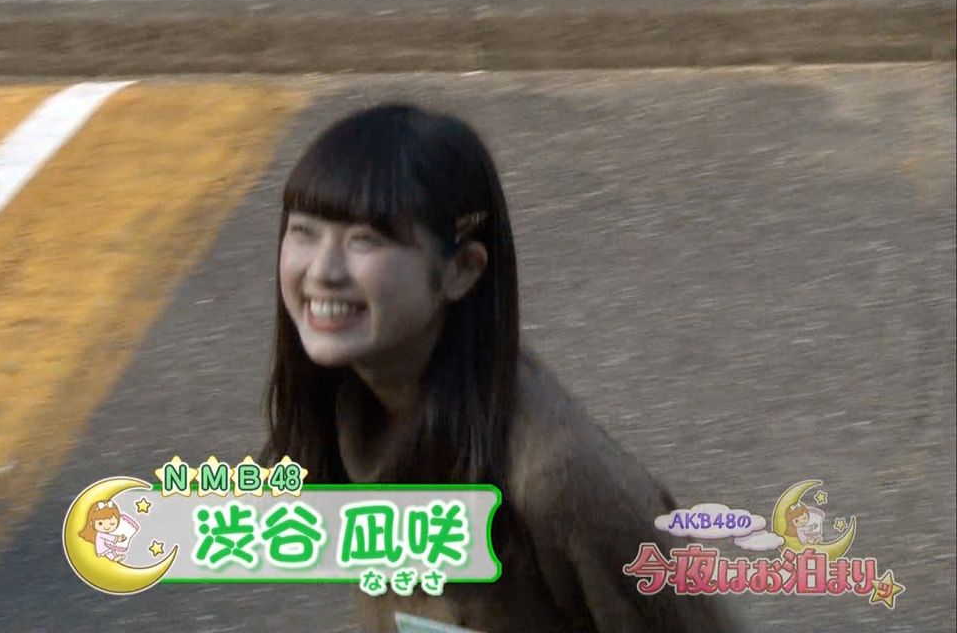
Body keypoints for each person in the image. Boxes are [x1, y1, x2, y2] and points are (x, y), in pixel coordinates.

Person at [259, 103, 738, 632]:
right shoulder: (349, 398)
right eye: (305, 232)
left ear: (462, 270)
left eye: (365, 240)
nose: (322, 271)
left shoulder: (559, 479)